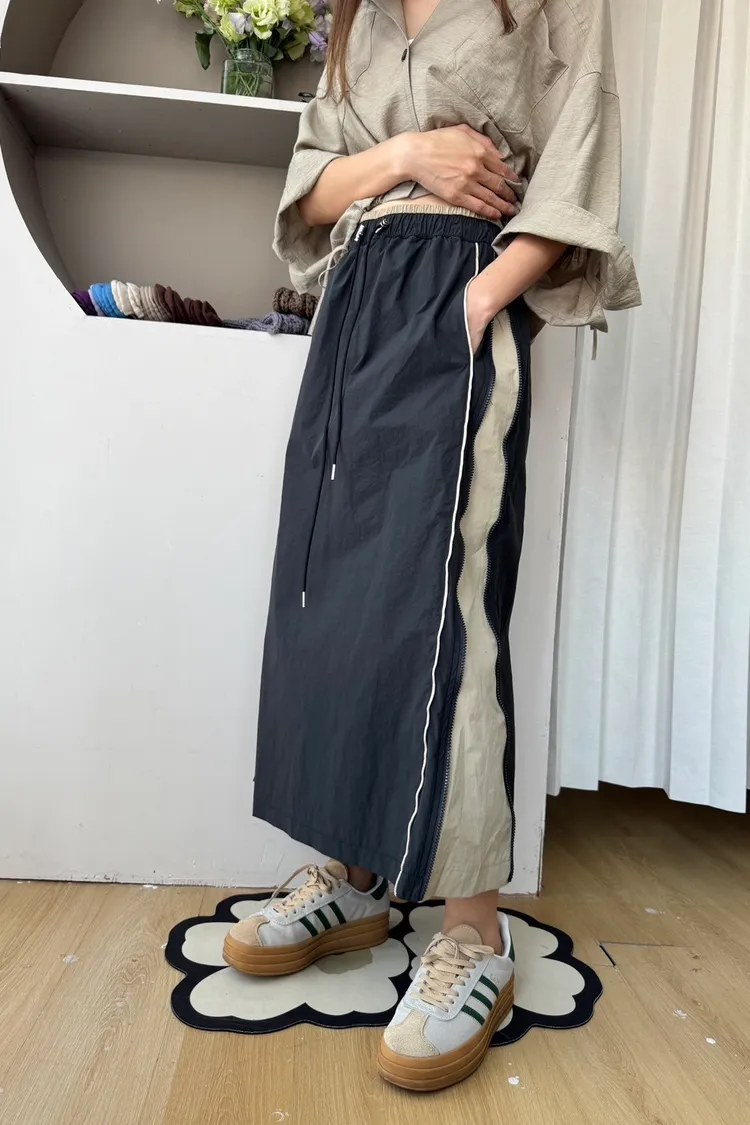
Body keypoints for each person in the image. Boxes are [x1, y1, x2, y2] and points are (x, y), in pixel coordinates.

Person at [224, 0, 640, 1092]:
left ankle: (473, 931)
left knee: (445, 606)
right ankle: (356, 875)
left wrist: (480, 300)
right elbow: (312, 189)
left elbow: (580, 157)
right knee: (329, 596)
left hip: (457, 294)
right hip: (356, 303)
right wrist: (405, 156)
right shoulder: (356, 18)